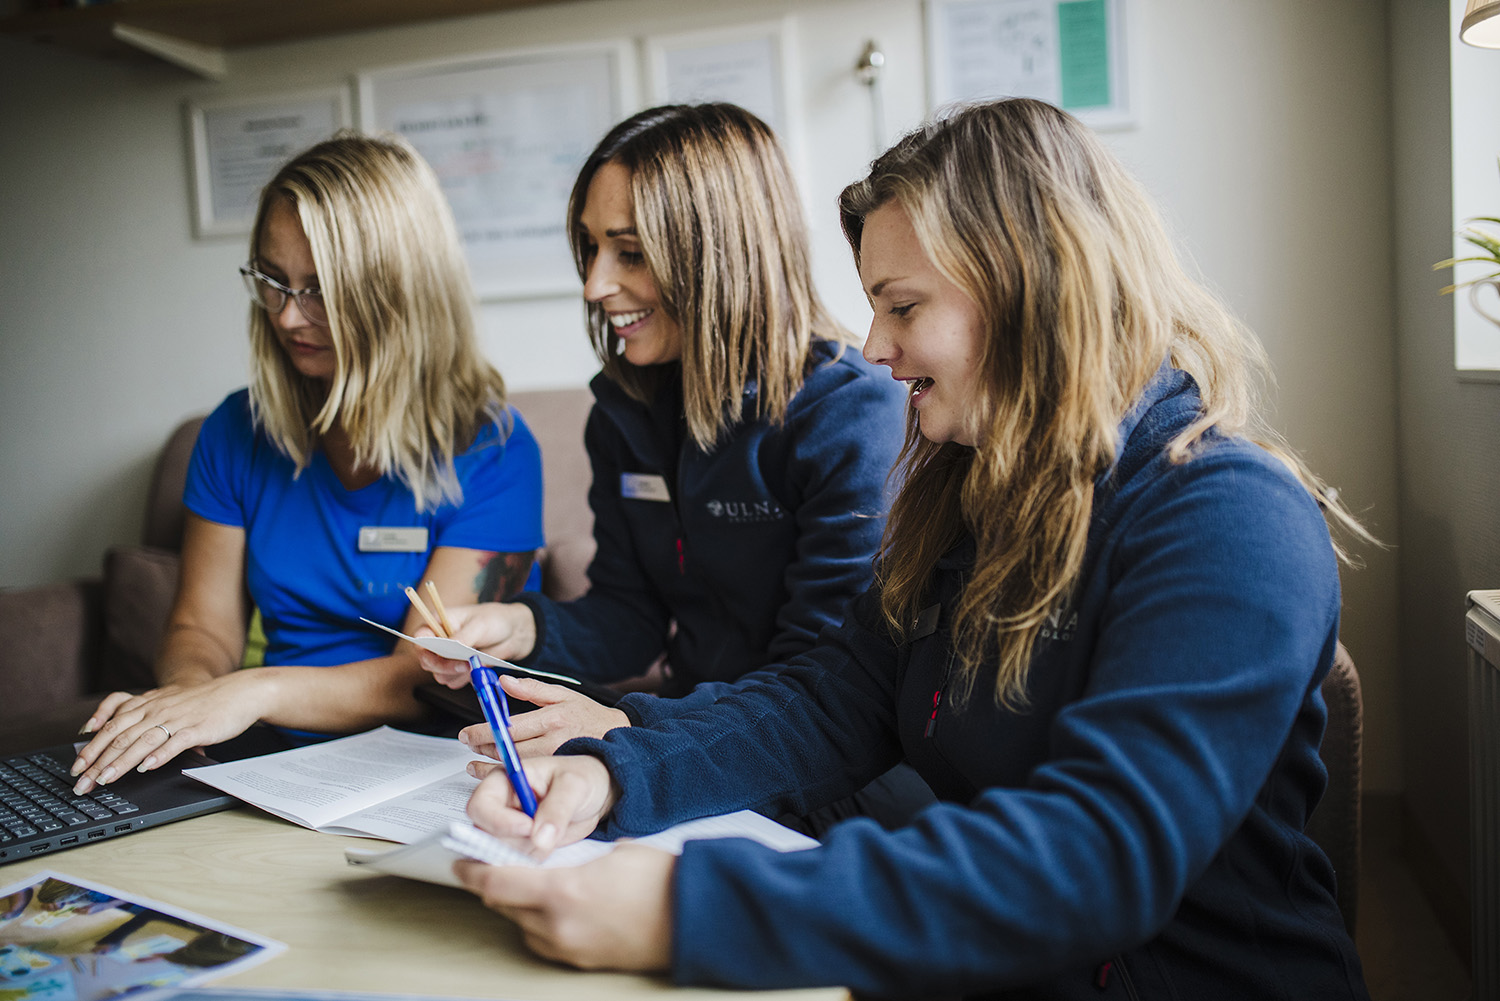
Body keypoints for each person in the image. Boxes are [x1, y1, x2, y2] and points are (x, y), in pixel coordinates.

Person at [449, 98, 1373, 999]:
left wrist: (683, 908)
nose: (877, 347)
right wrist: (612, 771)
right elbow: (827, 700)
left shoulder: (1229, 515)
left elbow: (1098, 852)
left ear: (1030, 284)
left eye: (901, 306)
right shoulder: (971, 504)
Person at [416, 104, 919, 814]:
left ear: (719, 250)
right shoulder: (626, 412)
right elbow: (630, 614)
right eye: (589, 249)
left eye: (630, 252)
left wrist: (626, 732)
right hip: (682, 728)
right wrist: (520, 627)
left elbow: (825, 684)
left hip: (814, 763)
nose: (594, 285)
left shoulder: (850, 413)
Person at [69, 132, 544, 794]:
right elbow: (200, 626)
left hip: (430, 757)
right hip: (275, 751)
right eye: (273, 280)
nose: (289, 316)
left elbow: (419, 680)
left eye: (319, 289)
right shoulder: (234, 431)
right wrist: (185, 700)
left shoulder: (497, 449)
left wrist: (248, 692)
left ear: (398, 292)